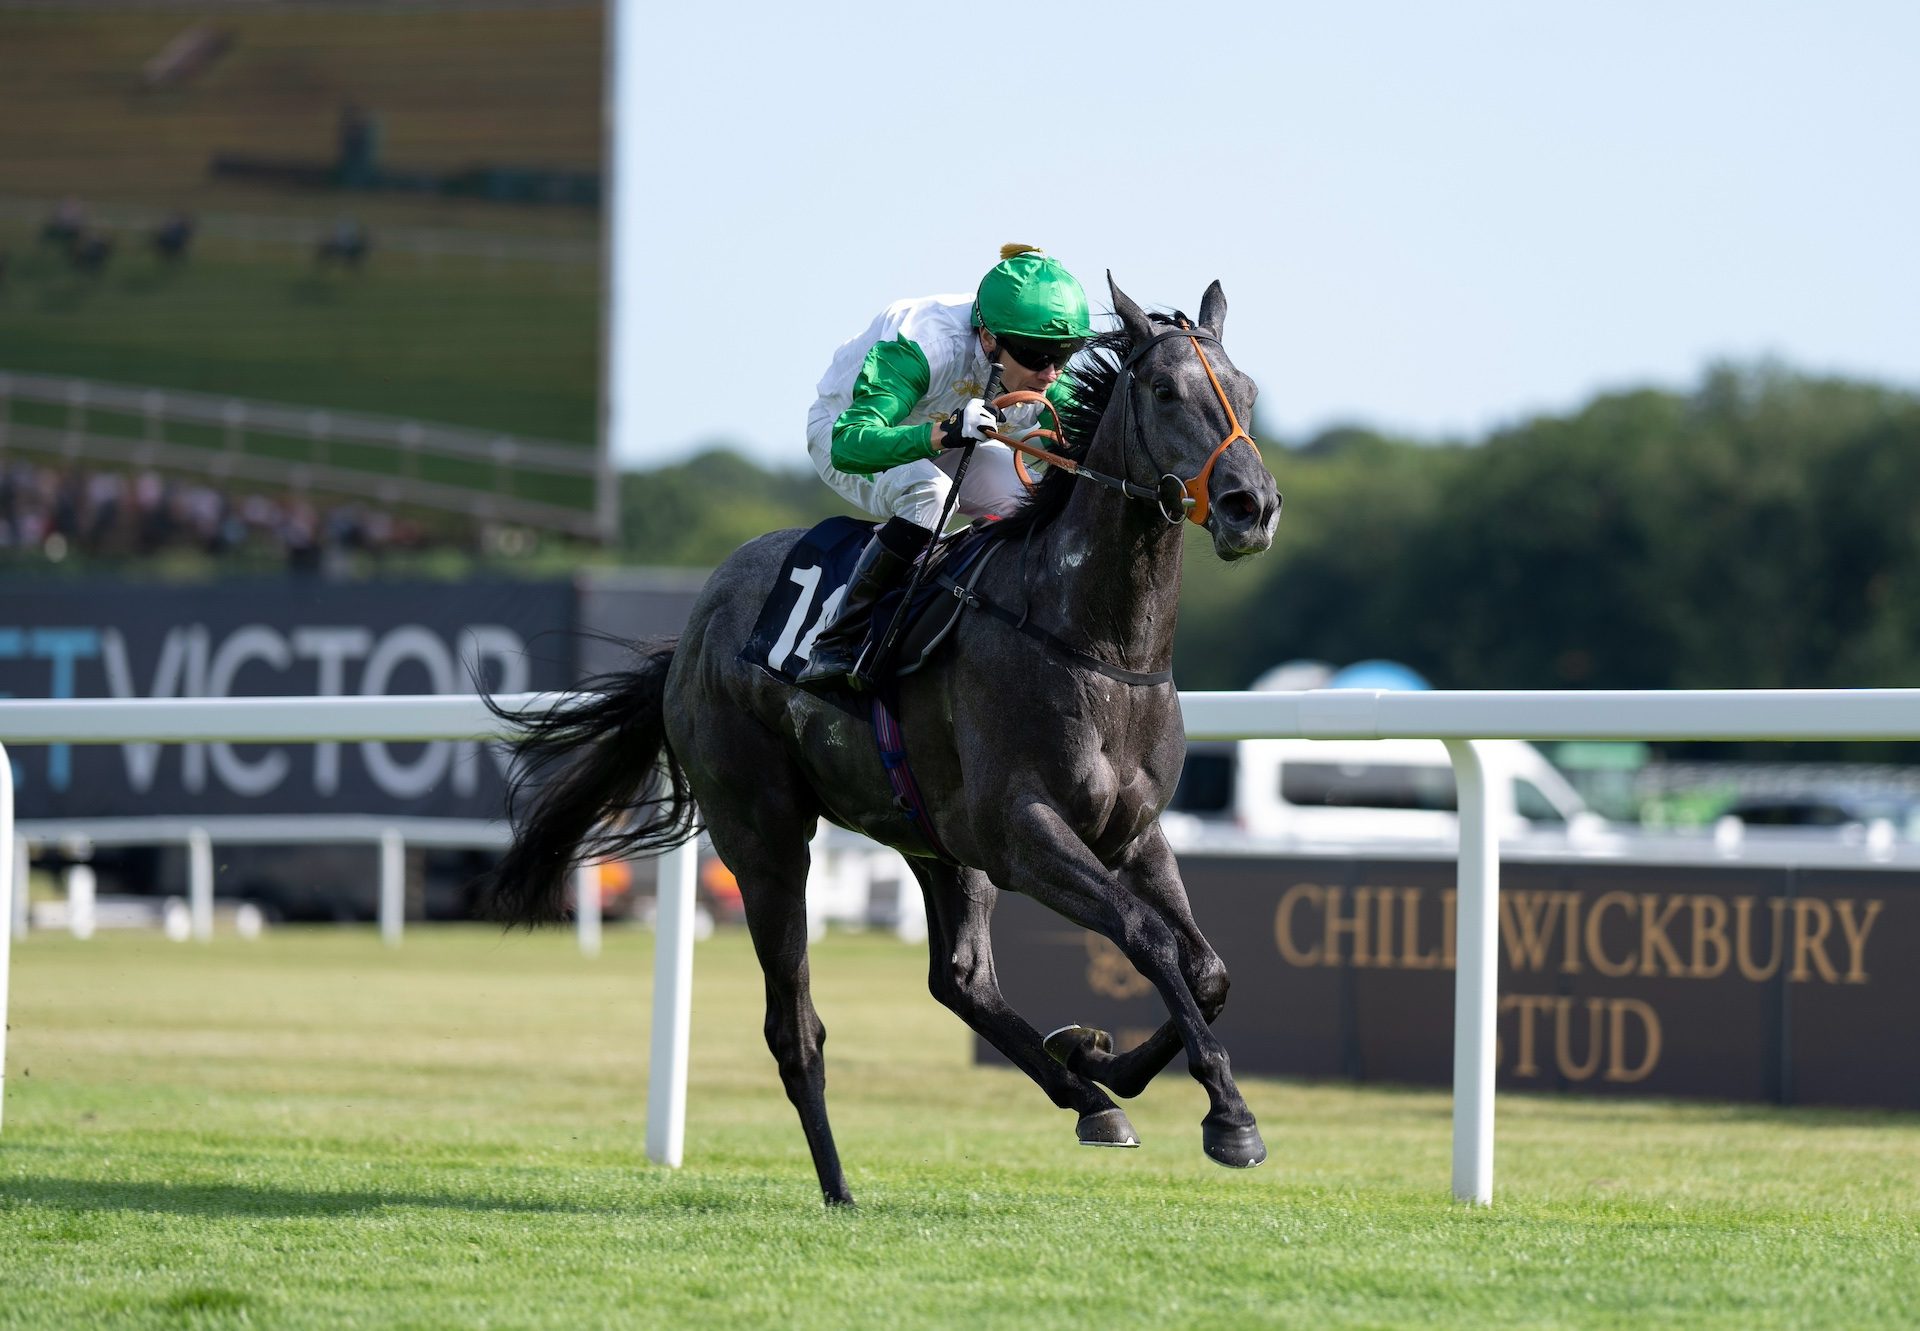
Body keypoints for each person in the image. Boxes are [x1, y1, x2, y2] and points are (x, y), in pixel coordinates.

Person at [795, 244, 1092, 691]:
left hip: (946, 438)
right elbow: (849, 444)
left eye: (1064, 355)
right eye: (1036, 357)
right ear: (989, 338)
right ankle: (837, 639)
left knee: (1027, 505)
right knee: (931, 495)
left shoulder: (1041, 368)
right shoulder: (923, 345)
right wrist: (943, 433)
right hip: (851, 436)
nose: (1051, 374)